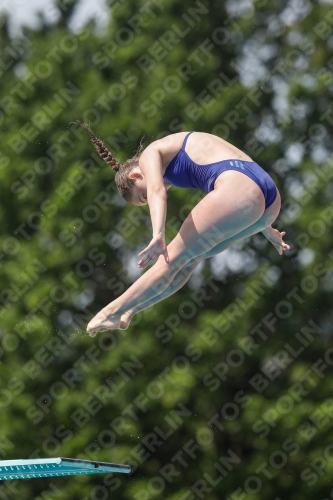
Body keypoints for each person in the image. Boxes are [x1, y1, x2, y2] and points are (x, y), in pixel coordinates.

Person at [76, 124, 290, 336]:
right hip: (266, 199)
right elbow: (244, 182)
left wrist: (157, 233)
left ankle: (111, 311)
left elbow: (157, 191)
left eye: (143, 196)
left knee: (171, 260)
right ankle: (131, 309)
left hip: (241, 190)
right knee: (189, 260)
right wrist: (267, 229)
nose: (148, 198)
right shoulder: (173, 154)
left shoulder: (150, 155)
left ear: (135, 177)